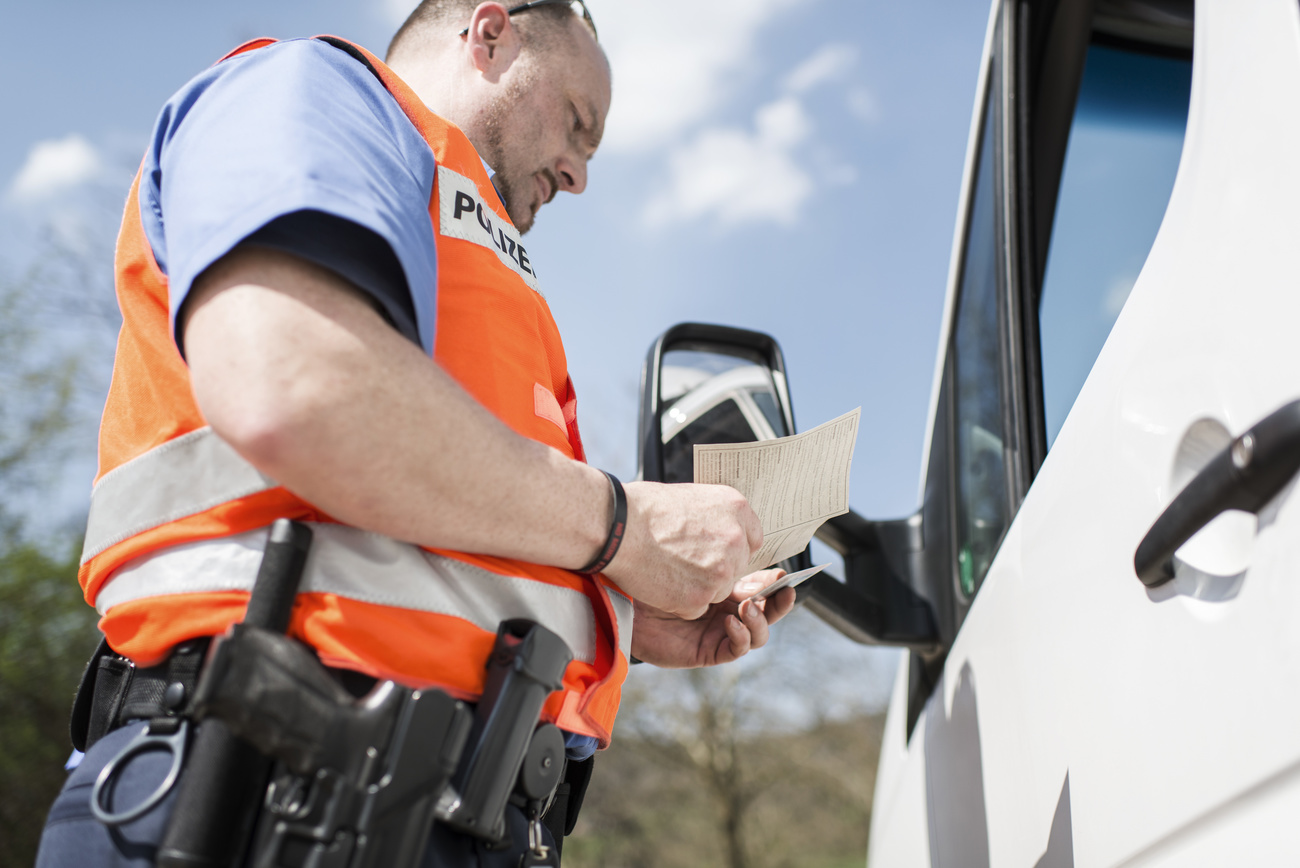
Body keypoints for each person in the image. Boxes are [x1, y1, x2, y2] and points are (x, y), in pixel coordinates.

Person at [36, 1, 798, 865]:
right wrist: (623, 527)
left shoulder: (486, 263)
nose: (581, 174)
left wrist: (615, 614)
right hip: (254, 789)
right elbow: (297, 389)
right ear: (490, 32)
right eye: (577, 124)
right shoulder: (317, 92)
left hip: (408, 809)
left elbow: (431, 528)